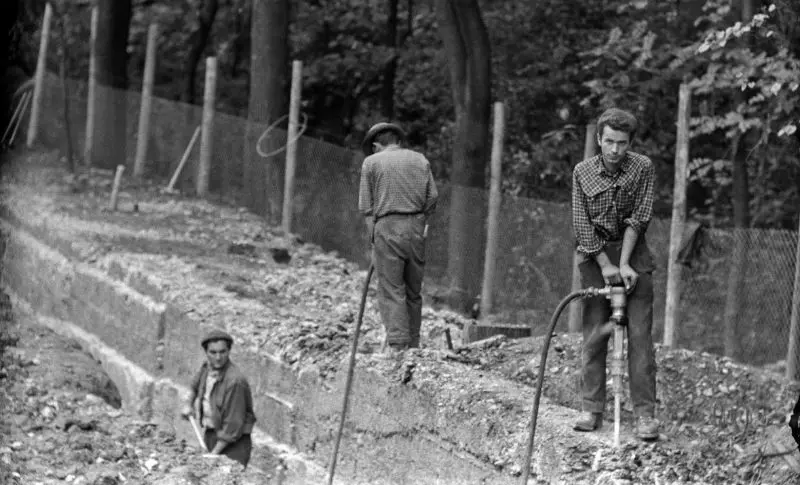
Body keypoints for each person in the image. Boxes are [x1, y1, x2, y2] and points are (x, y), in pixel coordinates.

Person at [571, 108, 660, 441]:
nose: (614, 150)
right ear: (599, 139)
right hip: (593, 254)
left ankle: (645, 416)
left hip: (634, 253)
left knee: (639, 336)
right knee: (595, 332)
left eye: (622, 143)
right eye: (608, 141)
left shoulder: (643, 168)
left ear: (630, 143)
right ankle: (591, 409)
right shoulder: (582, 172)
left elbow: (640, 217)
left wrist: (624, 264)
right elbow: (581, 224)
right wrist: (607, 266)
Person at [358, 122, 438, 354]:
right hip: (415, 227)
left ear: (375, 146)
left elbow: (366, 208)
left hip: (387, 227)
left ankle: (398, 345)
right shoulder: (420, 160)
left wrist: (373, 239)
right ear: (398, 141)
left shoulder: (371, 163)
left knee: (392, 288)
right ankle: (413, 344)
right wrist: (420, 219)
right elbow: (432, 197)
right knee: (413, 290)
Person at [181, 329, 257, 467]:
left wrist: (213, 454)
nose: (218, 357)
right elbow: (194, 386)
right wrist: (188, 404)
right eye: (213, 352)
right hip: (211, 435)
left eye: (223, 352)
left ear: (229, 351)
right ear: (206, 353)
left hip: (234, 445)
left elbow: (232, 425)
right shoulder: (207, 368)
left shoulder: (235, 382)